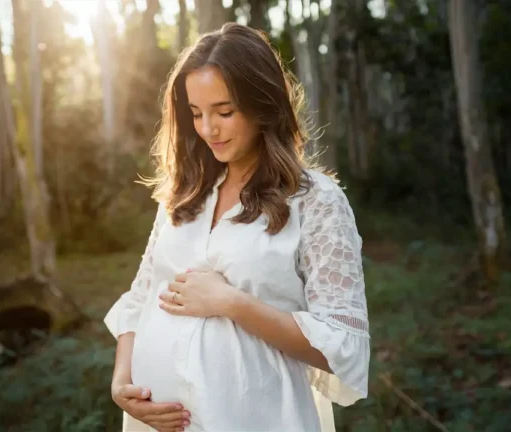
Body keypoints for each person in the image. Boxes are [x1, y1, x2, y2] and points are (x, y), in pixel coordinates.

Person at [104, 23, 370, 432]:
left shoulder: (315, 200)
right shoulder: (185, 192)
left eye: (224, 112)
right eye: (196, 113)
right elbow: (141, 299)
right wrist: (123, 383)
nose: (208, 129)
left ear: (263, 104)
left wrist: (231, 302)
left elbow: (344, 345)